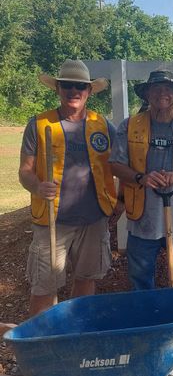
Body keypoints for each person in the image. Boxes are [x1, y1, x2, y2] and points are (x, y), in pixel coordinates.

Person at [19, 60, 117, 316]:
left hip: (94, 219)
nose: (74, 91)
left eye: (80, 87)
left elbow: (122, 164)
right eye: (67, 85)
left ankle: (76, 334)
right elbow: (25, 171)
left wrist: (123, 199)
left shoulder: (104, 126)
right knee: (44, 286)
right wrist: (38, 186)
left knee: (86, 279)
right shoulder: (40, 125)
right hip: (52, 219)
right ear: (58, 89)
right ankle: (43, 344)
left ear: (89, 91)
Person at [110, 70, 173, 289]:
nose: (162, 93)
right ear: (146, 94)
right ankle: (149, 318)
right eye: (156, 88)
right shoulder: (129, 127)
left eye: (168, 89)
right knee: (141, 279)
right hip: (143, 219)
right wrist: (141, 177)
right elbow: (115, 165)